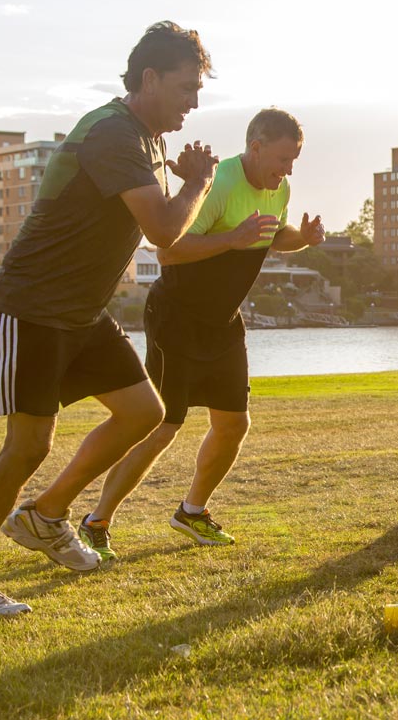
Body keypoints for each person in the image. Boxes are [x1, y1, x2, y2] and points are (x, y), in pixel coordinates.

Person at [0, 22, 217, 617]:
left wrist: (185, 187)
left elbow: (163, 237)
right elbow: (164, 230)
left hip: (81, 313)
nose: (194, 102)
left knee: (144, 412)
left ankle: (45, 515)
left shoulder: (145, 141)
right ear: (150, 78)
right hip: (31, 306)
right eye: (187, 88)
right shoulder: (113, 135)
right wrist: (200, 183)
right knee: (27, 446)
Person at [73, 108, 324, 560]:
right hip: (177, 318)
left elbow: (270, 235)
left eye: (295, 162)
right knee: (161, 425)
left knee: (233, 423)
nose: (288, 171)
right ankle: (96, 521)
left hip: (223, 322)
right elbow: (168, 252)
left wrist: (300, 237)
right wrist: (231, 238)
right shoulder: (219, 184)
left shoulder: (278, 187)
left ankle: (192, 511)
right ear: (256, 147)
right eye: (283, 159)